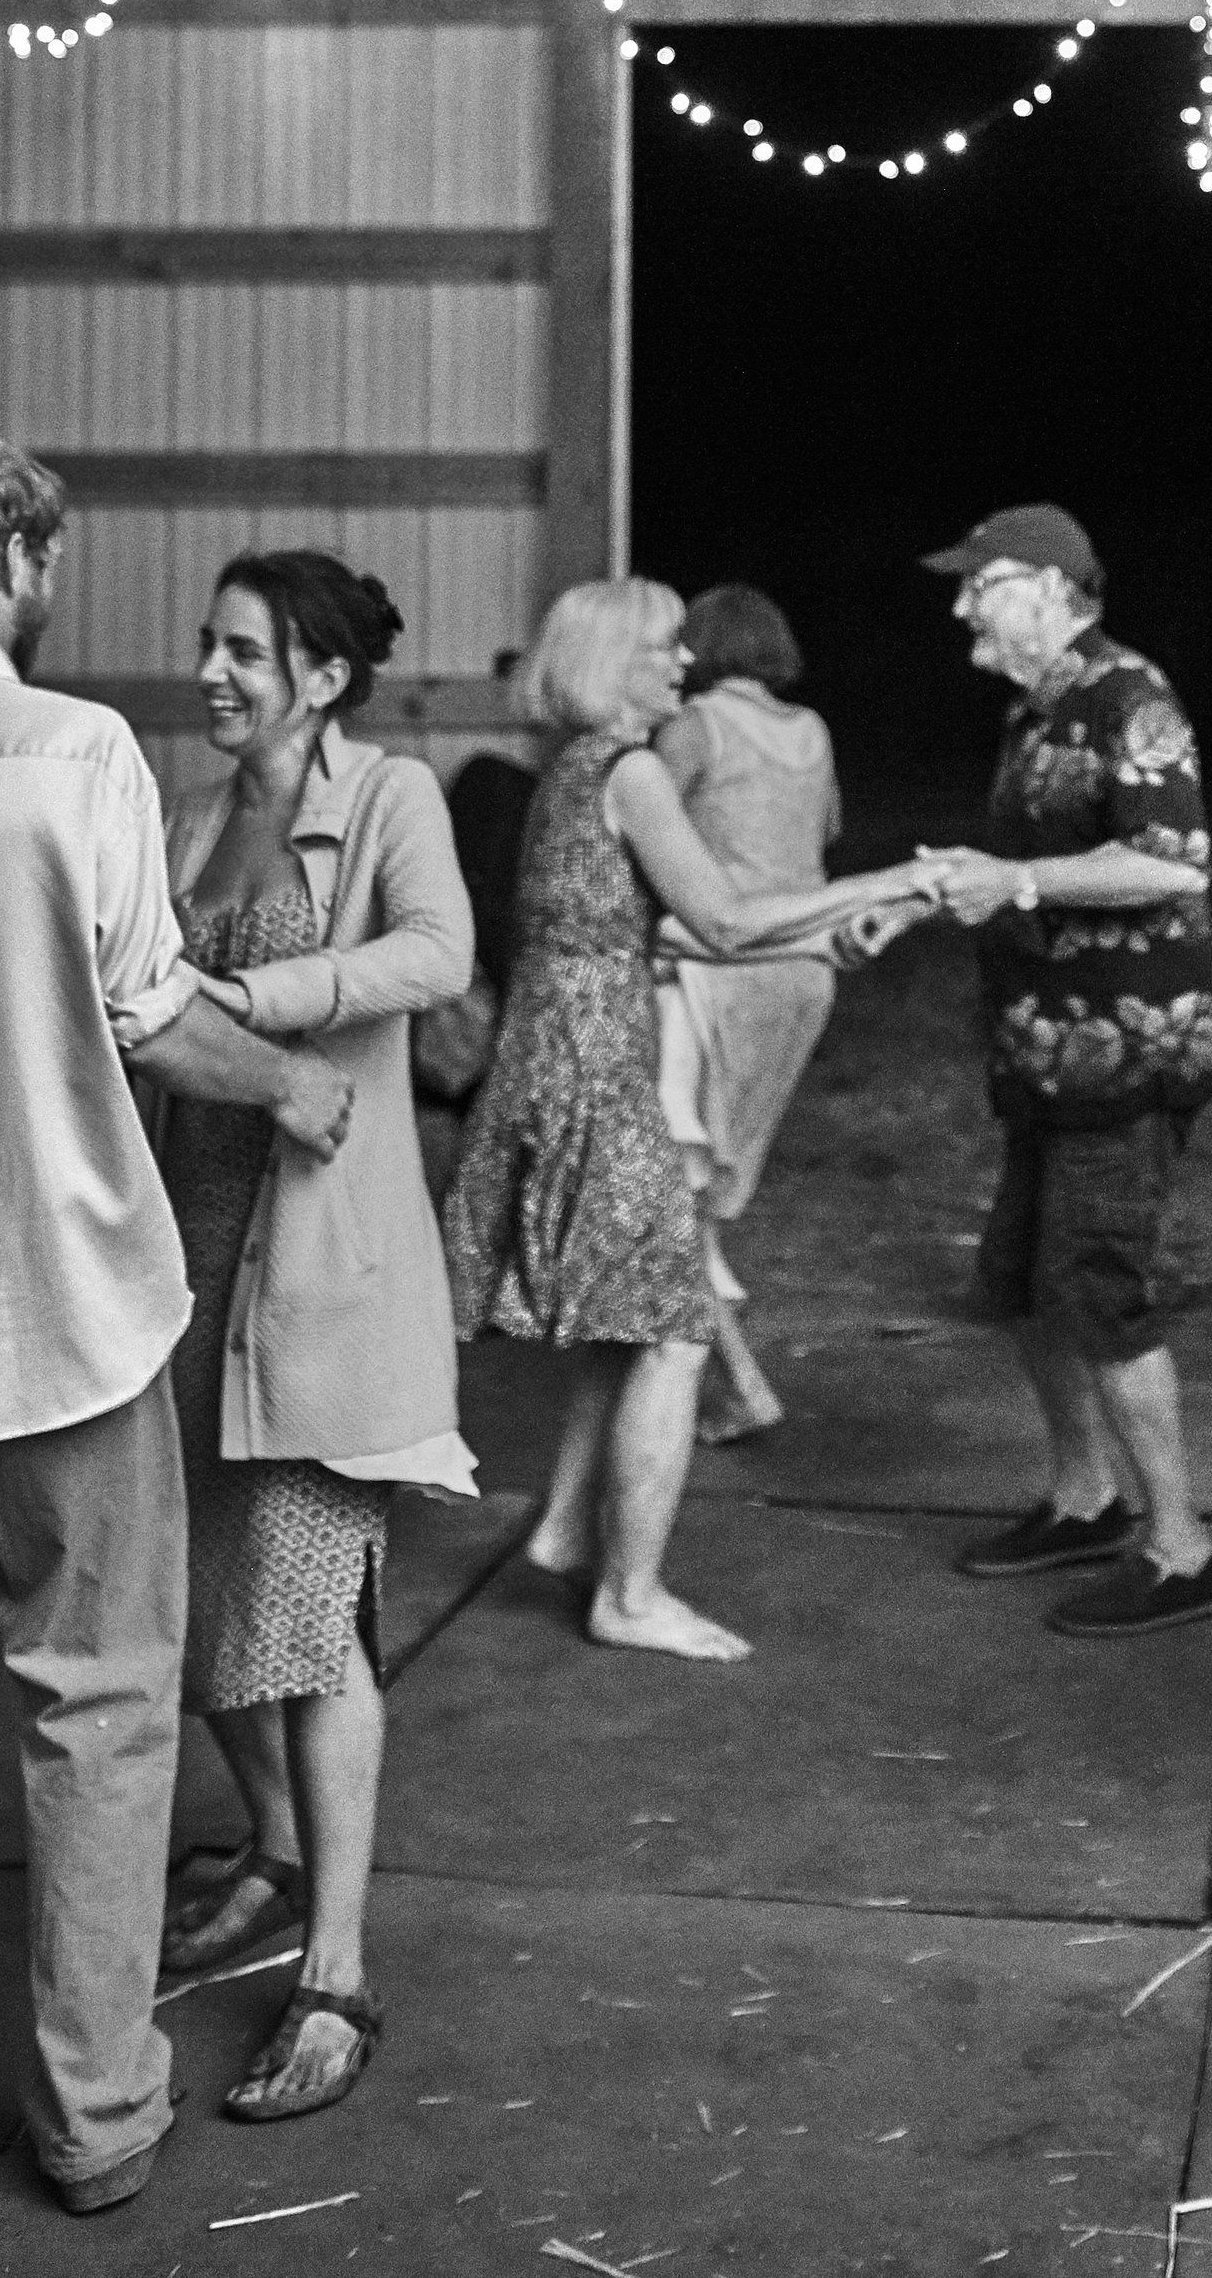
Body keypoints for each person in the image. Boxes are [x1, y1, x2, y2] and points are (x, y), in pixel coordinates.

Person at [0, 439, 352, 2216]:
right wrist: (302, 1089)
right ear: (19, 557)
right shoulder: (70, 749)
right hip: (46, 1311)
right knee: (98, 1707)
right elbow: (152, 1014)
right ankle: (97, 2114)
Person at [442, 578, 933, 1661]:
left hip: (557, 1059)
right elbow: (719, 914)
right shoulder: (632, 770)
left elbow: (662, 925)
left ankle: (569, 1531)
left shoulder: (570, 770)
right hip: (598, 1072)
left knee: (628, 1315)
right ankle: (632, 1591)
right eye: (664, 650)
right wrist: (884, 882)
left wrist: (823, 925)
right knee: (671, 1327)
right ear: (612, 661)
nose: (682, 666)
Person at [154, 550, 476, 2125]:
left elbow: (438, 955)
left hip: (323, 1255)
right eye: (208, 645)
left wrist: (263, 993)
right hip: (181, 1262)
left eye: (243, 650)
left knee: (313, 1611)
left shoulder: (394, 793)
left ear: (322, 677)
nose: (211, 672)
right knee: (204, 1608)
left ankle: (336, 1971)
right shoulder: (190, 811)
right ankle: (274, 1847)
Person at [918, 506, 1212, 1641]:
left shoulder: (1127, 698)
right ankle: (1084, 1496)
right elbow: (1027, 866)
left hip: (1127, 1051)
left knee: (1098, 1286)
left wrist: (1019, 884)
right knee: (1019, 1276)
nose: (961, 604)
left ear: (1053, 588)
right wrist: (958, 885)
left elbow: (1165, 857)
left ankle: (1182, 1547)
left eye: (981, 582)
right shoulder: (1038, 707)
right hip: (1048, 1052)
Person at [651, 583, 845, 1444]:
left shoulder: (694, 728)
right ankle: (728, 1376)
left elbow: (642, 835)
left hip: (712, 970)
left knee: (673, 1191)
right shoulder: (812, 730)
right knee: (703, 1196)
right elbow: (827, 828)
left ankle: (732, 1383)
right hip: (803, 971)